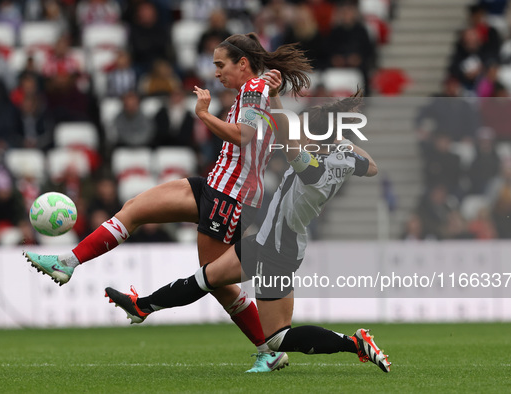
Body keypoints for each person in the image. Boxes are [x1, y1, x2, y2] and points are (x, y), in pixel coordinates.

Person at [24, 33, 312, 371]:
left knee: (215, 282)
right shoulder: (258, 91)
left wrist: (203, 114)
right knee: (134, 208)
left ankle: (269, 349)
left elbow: (242, 135)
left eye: (220, 65)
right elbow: (276, 132)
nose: (215, 72)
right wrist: (275, 97)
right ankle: (68, 261)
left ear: (243, 64)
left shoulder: (252, 90)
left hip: (230, 197)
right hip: (215, 186)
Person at [104, 81, 390, 373]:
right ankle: (143, 306)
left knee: (278, 338)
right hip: (269, 240)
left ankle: (355, 343)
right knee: (207, 278)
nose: (300, 135)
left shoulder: (311, 169)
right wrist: (342, 143)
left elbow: (287, 138)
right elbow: (372, 166)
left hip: (277, 250)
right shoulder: (340, 159)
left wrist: (276, 98)